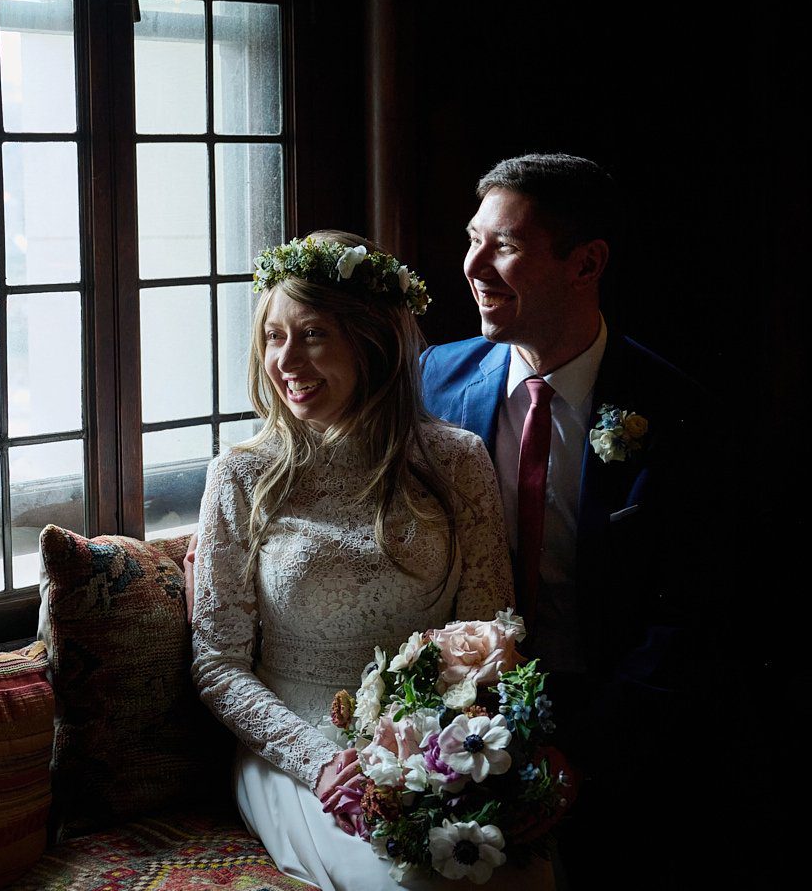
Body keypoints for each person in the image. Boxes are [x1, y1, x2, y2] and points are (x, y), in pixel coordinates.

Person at [190, 230, 552, 890]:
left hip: (434, 742)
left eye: (315, 334)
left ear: (371, 341)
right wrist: (320, 760)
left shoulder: (457, 460)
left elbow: (490, 635)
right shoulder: (242, 475)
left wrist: (457, 753)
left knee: (518, 874)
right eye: (273, 335)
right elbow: (217, 662)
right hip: (298, 751)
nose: (286, 359)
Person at [419, 154, 713, 886]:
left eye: (505, 247)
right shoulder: (435, 380)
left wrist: (584, 756)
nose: (473, 267)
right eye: (471, 239)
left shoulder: (673, 407)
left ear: (586, 263)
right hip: (464, 709)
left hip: (622, 715)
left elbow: (690, 613)